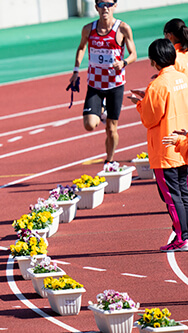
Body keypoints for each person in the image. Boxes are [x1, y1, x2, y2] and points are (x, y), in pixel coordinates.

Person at [128, 39, 188, 252]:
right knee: (184, 192)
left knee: (172, 197)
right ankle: (185, 234)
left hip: (165, 149)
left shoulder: (158, 85)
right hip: (184, 146)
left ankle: (183, 237)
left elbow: (149, 118)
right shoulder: (183, 78)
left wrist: (140, 103)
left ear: (154, 61)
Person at [69, 0, 137, 164]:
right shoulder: (88, 29)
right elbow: (81, 47)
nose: (105, 7)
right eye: (101, 4)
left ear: (115, 6)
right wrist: (76, 71)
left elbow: (133, 53)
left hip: (115, 85)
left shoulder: (122, 28)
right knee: (89, 125)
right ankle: (102, 109)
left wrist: (124, 62)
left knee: (111, 128)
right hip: (95, 85)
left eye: (108, 4)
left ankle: (110, 160)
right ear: (96, 7)